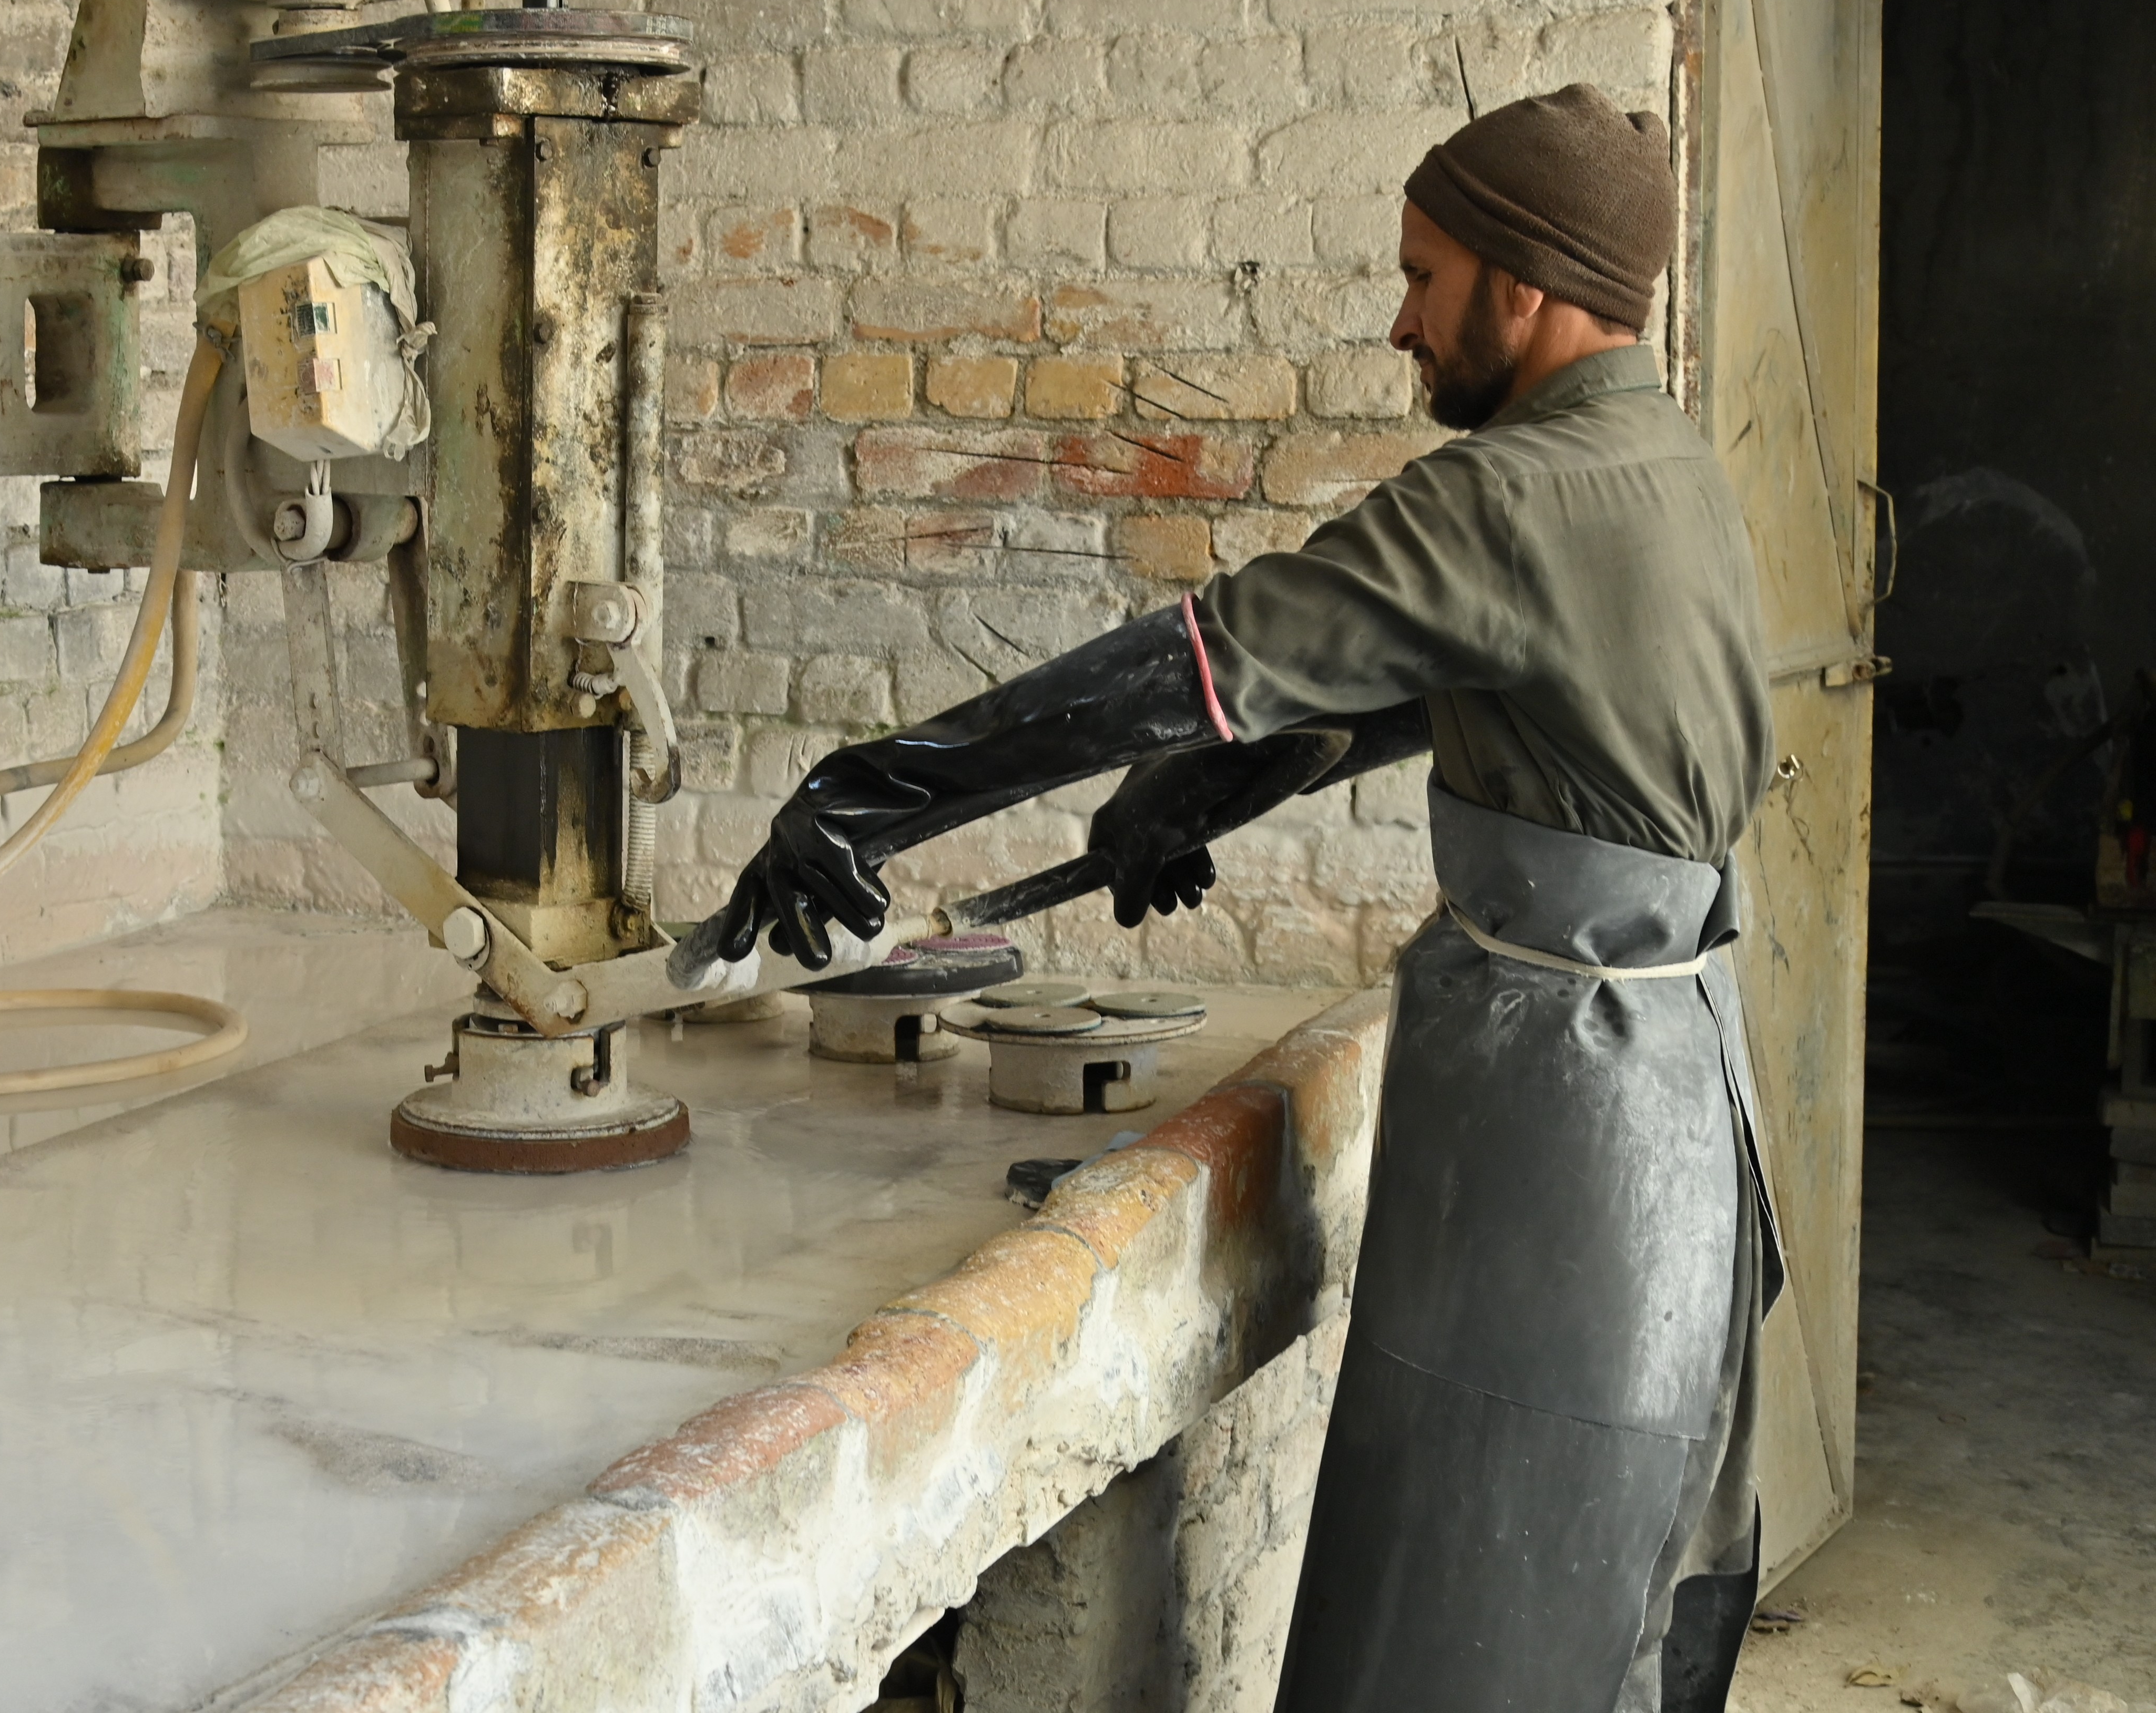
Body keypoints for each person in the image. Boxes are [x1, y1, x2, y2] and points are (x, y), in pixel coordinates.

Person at [684, 85, 1779, 1713]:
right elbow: (1459, 694)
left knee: (1485, 1591)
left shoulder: (1513, 497)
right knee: (1591, 1587)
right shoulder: (1656, 460)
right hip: (1673, 1082)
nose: (1403, 322)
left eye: (1426, 277)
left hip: (1578, 1125)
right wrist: (1218, 782)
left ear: (1527, 288)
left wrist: (876, 789)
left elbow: (1202, 656)